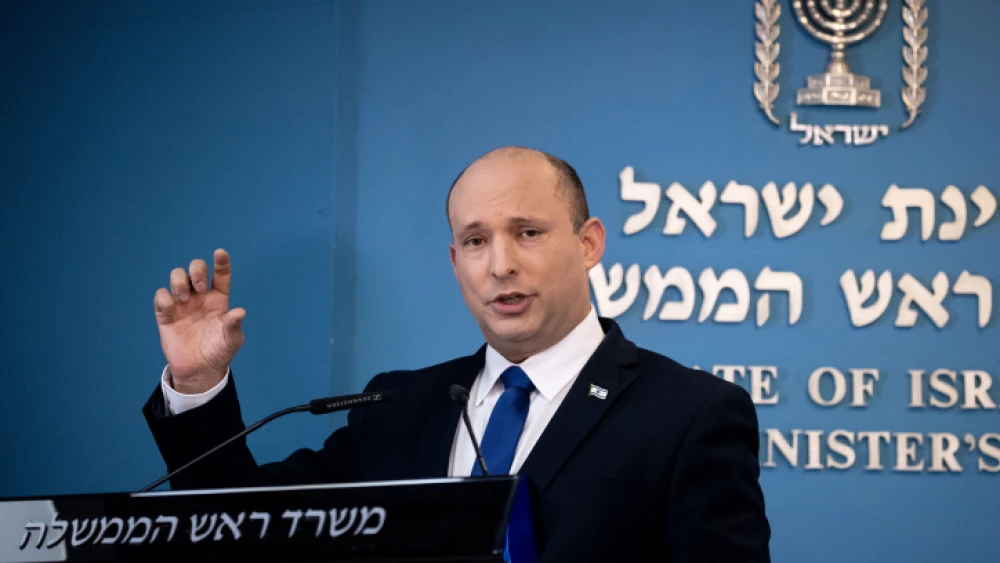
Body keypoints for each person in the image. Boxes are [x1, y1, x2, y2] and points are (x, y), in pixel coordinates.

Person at [144, 146, 771, 562]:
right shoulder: (395, 405)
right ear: (454, 262)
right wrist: (198, 383)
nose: (501, 264)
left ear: (588, 243)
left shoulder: (689, 413)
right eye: (475, 241)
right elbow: (237, 525)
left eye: (528, 232)